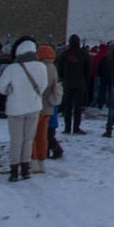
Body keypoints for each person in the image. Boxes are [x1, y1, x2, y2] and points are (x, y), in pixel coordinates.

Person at [0, 38, 48, 182]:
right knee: (28, 140)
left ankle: (14, 171)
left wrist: (10, 90)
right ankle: (26, 170)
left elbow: (0, 87)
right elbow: (42, 87)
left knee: (16, 141)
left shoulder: (13, 68)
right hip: (34, 107)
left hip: (16, 108)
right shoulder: (41, 67)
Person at [31, 45, 63, 173]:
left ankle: (33, 160)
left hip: (39, 104)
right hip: (49, 106)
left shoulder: (40, 67)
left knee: (33, 135)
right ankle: (42, 159)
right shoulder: (53, 67)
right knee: (43, 135)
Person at [56, 34, 92, 134]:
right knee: (77, 106)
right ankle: (76, 128)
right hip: (80, 83)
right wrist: (84, 80)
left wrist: (64, 77)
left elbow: (60, 68)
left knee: (67, 106)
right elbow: (88, 69)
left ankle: (67, 128)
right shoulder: (83, 54)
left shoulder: (65, 54)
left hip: (67, 83)